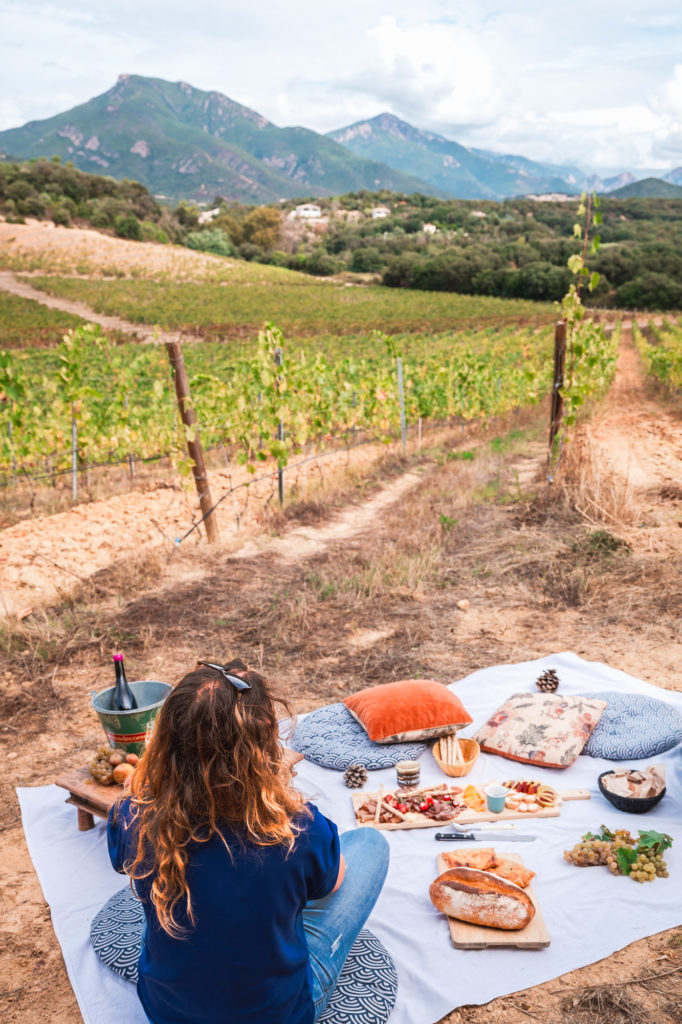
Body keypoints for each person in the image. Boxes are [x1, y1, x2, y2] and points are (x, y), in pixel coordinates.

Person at [107, 659, 389, 1024]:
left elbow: (120, 859)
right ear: (264, 748)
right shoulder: (298, 827)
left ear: (166, 741)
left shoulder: (134, 815)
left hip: (167, 1011)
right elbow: (331, 886)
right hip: (276, 1014)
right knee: (369, 843)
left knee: (168, 893)